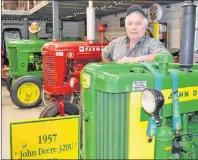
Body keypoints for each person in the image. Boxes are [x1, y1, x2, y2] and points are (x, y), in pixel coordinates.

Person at [102, 5, 170, 63]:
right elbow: (104, 54)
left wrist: (136, 59)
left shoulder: (152, 44)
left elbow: (166, 56)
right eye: (130, 23)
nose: (133, 27)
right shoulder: (116, 43)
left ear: (146, 27)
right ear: (126, 27)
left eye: (138, 23)